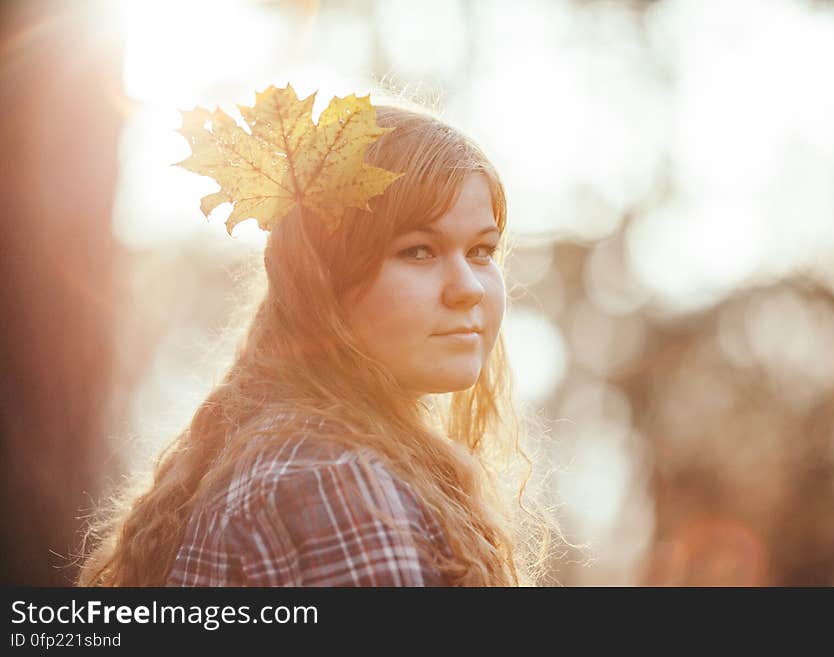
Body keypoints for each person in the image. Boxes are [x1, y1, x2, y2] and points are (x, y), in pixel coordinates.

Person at [76, 90, 559, 587]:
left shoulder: (305, 458)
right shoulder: (331, 482)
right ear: (322, 280)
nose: (468, 289)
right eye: (418, 251)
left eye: (481, 251)